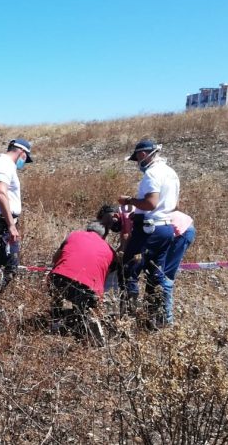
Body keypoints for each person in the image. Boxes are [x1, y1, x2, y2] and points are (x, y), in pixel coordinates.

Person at [117, 139, 180, 328]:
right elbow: (175, 205)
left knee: (128, 270)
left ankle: (127, 321)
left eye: (137, 158)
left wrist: (129, 200)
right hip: (166, 228)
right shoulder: (171, 173)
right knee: (155, 274)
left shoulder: (152, 173)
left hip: (148, 230)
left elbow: (150, 203)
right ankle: (155, 320)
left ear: (142, 154)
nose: (137, 163)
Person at [0, 138, 33, 313]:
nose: (24, 162)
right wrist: (11, 225)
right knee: (7, 269)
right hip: (2, 225)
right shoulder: (4, 165)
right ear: (22, 152)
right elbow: (0, 193)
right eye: (25, 158)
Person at [48, 222, 119, 345]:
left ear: (87, 229)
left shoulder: (73, 235)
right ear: (103, 236)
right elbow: (107, 277)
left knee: (60, 298)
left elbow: (55, 259)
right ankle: (85, 324)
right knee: (82, 308)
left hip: (60, 277)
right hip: (89, 285)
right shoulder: (110, 250)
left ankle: (58, 322)